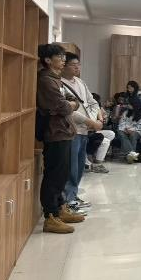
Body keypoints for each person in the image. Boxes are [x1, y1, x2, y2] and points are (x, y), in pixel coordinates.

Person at [36, 44, 85, 233]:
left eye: (64, 56)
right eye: (59, 56)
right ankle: (50, 217)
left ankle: (59, 209)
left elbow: (72, 102)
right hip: (55, 133)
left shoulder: (56, 79)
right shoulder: (46, 80)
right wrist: (69, 105)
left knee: (62, 175)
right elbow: (63, 107)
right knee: (54, 176)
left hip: (64, 131)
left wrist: (69, 104)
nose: (63, 59)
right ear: (48, 60)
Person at [61, 52, 103, 213]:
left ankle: (73, 195)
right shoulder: (60, 84)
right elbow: (68, 111)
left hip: (85, 130)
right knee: (70, 167)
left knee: (79, 167)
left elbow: (92, 102)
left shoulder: (80, 82)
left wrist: (98, 118)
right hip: (72, 130)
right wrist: (91, 122)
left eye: (78, 64)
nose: (77, 67)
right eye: (73, 65)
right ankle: (68, 200)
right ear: (64, 65)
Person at [118, 96, 141, 163]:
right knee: (120, 132)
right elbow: (121, 123)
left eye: (129, 104)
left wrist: (131, 129)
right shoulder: (126, 112)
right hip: (124, 129)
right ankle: (132, 154)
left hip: (136, 131)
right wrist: (125, 129)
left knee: (133, 135)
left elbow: (140, 126)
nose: (128, 105)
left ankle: (129, 155)